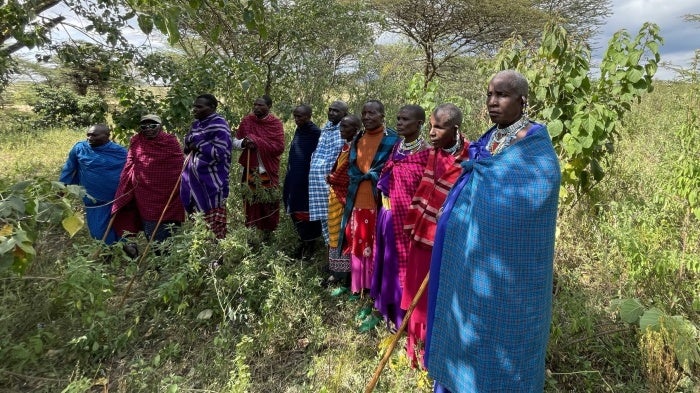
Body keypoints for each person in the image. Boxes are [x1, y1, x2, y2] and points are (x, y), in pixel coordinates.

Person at [425, 70, 561, 392]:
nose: (492, 102)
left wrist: (489, 199)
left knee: (503, 333)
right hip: (471, 258)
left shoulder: (535, 146)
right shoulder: (491, 138)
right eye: (489, 95)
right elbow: (476, 173)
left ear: (521, 100)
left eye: (501, 95)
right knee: (465, 324)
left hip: (509, 271)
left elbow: (534, 195)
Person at [401, 103, 469, 367]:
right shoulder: (432, 155)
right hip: (421, 236)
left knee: (437, 299)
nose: (431, 132)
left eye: (438, 127)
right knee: (416, 297)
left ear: (455, 129)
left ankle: (436, 355)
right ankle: (415, 354)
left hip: (446, 242)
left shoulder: (469, 158)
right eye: (430, 126)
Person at [370, 105, 430, 332]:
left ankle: (402, 318)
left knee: (401, 269)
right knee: (386, 265)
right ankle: (387, 310)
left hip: (406, 222)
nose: (400, 123)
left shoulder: (425, 153)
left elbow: (423, 191)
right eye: (398, 118)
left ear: (419, 124)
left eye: (406, 119)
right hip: (386, 215)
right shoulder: (398, 147)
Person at [338, 100, 400, 298]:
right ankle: (357, 288)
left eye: (372, 113)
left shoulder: (393, 140)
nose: (367, 117)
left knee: (374, 247)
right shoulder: (357, 139)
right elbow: (351, 167)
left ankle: (373, 293)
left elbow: (394, 172)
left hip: (379, 203)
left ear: (382, 115)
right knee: (355, 243)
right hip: (356, 200)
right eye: (364, 113)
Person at [111, 114, 186, 249]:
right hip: (145, 194)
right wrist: (125, 185)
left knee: (170, 230)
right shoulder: (136, 141)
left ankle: (168, 258)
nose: (148, 129)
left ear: (160, 126)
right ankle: (158, 255)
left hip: (169, 194)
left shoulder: (170, 141)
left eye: (153, 125)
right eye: (144, 126)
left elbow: (179, 165)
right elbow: (129, 164)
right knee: (151, 228)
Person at [59, 124, 127, 244]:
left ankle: (123, 250)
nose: (90, 138)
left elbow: (131, 172)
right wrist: (61, 189)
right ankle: (109, 252)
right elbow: (69, 170)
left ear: (107, 136)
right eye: (88, 135)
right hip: (94, 202)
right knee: (98, 231)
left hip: (117, 199)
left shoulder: (120, 152)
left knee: (120, 228)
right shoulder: (80, 148)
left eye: (94, 135)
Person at [180, 93, 233, 239]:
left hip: (211, 180)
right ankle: (201, 251)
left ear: (212, 107)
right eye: (194, 106)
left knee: (213, 219)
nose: (195, 110)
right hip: (192, 179)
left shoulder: (219, 125)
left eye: (199, 107)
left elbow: (220, 152)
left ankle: (217, 255)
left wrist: (198, 145)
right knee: (197, 219)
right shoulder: (196, 125)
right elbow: (188, 145)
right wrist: (190, 144)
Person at [235, 95, 285, 238]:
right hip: (251, 168)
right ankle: (251, 233)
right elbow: (235, 142)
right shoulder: (247, 121)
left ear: (269, 107)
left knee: (268, 201)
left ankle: (269, 234)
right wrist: (245, 143)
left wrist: (257, 141)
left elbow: (279, 147)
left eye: (260, 105)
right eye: (255, 104)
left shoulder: (275, 123)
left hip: (267, 168)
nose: (256, 107)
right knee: (252, 202)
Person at [326, 115, 361, 291]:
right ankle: (336, 271)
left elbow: (347, 175)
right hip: (335, 197)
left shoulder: (356, 149)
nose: (341, 130)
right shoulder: (346, 146)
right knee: (334, 232)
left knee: (344, 235)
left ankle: (344, 277)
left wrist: (331, 178)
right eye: (341, 127)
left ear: (355, 130)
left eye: (345, 127)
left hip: (344, 198)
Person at [282, 104, 322, 258]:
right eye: (295, 116)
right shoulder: (299, 131)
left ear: (309, 116)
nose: (297, 119)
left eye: (300, 116)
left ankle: (310, 246)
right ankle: (303, 241)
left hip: (307, 181)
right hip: (294, 178)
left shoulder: (315, 133)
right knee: (295, 209)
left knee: (306, 212)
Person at [308, 101, 349, 245]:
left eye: (336, 111)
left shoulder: (345, 130)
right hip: (318, 185)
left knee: (336, 218)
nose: (331, 113)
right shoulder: (326, 128)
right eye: (330, 110)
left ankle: (338, 257)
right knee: (325, 220)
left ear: (345, 114)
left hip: (334, 183)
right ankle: (330, 250)